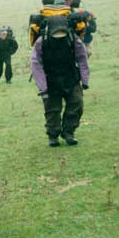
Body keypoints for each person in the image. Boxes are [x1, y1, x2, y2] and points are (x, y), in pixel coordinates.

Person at [30, 15, 90, 147]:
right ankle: (53, 136)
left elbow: (82, 59)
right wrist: (42, 87)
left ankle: (69, 132)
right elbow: (36, 64)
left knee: (76, 104)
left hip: (71, 78)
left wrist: (85, 80)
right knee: (52, 110)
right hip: (49, 81)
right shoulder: (41, 41)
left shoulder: (73, 39)